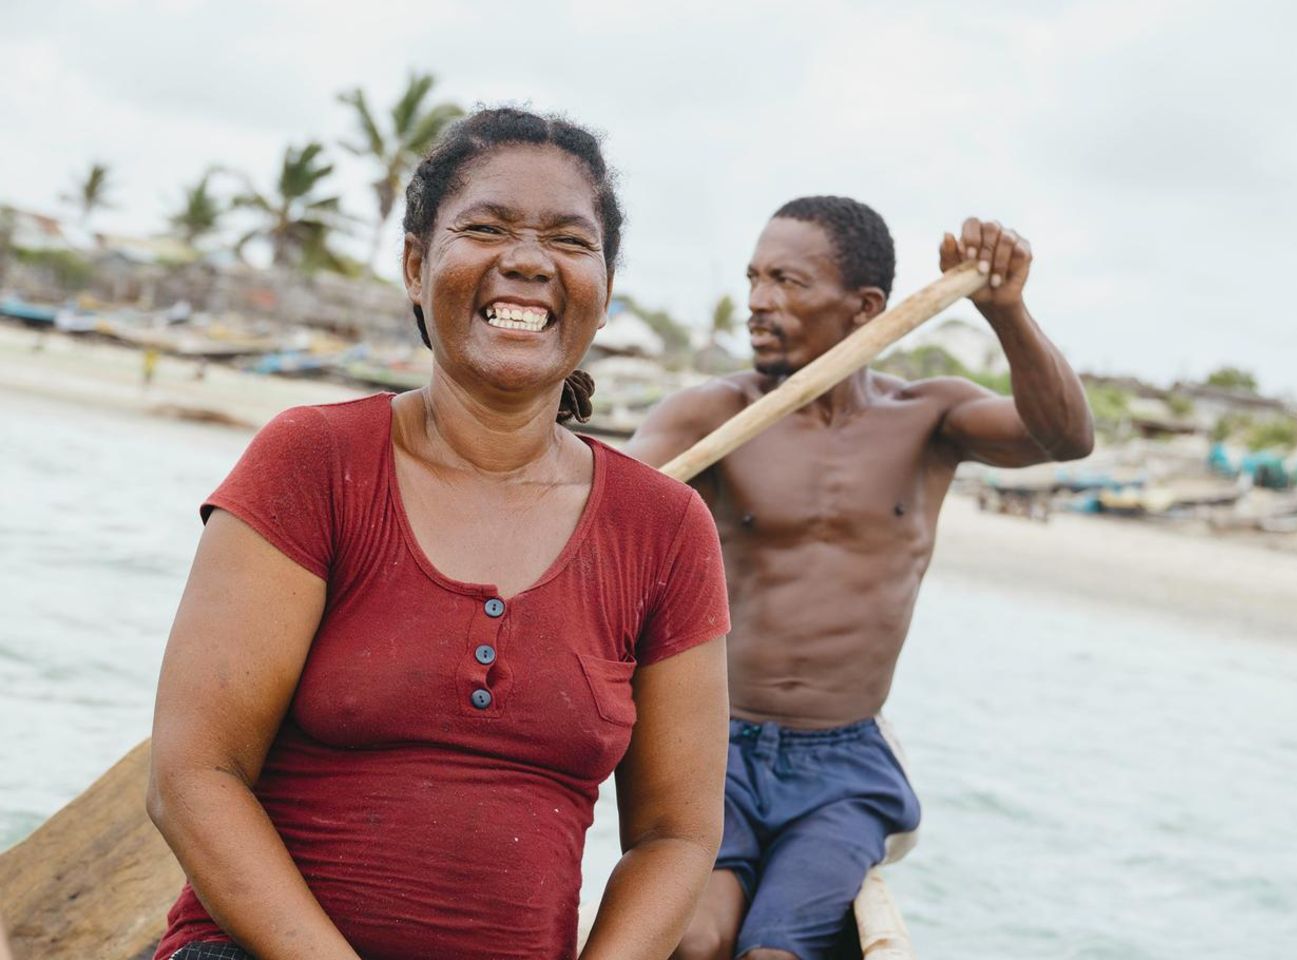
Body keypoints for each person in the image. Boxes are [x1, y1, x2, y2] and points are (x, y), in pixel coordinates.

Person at [147, 107, 732, 960]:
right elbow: (192, 776)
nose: (528, 260)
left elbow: (676, 836)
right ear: (418, 266)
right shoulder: (313, 460)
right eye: (487, 227)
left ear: (604, 292)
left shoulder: (668, 529)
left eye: (570, 241)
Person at [628, 196, 1094, 960]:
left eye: (787, 280)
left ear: (864, 308)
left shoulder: (929, 416)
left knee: (774, 954)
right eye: (753, 277)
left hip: (842, 764)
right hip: (714, 745)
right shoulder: (711, 412)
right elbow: (596, 513)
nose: (758, 301)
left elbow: (1064, 437)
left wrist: (1005, 310)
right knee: (697, 941)